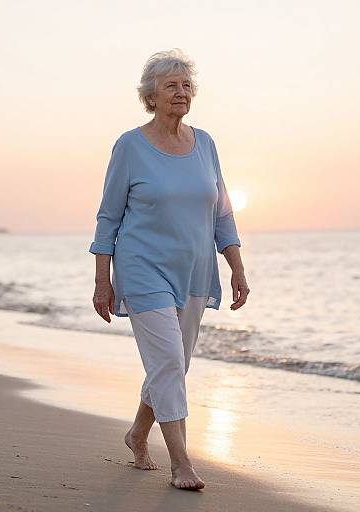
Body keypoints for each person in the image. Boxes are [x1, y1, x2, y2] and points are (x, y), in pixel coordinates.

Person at [89, 48, 250, 490]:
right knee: (167, 363)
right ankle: (182, 463)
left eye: (186, 85)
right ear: (151, 97)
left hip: (195, 270)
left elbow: (222, 214)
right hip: (142, 268)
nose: (181, 92)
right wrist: (103, 282)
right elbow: (108, 218)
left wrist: (236, 266)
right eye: (171, 86)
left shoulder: (206, 144)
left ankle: (138, 433)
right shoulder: (130, 146)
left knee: (173, 364)